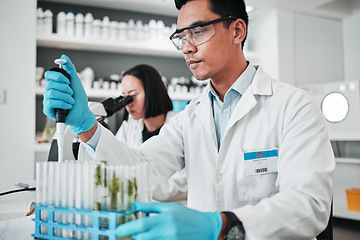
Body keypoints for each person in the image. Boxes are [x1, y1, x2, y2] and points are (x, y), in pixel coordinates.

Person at [42, 0, 335, 239]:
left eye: (197, 31)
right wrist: (87, 127)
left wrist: (220, 226)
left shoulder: (294, 106)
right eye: (181, 36)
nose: (186, 47)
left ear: (237, 31)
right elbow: (140, 168)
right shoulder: (189, 118)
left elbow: (309, 205)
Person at [116, 64, 188, 204]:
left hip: (172, 211)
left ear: (152, 92)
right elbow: (115, 162)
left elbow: (182, 184)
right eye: (124, 97)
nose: (128, 104)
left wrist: (134, 184)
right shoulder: (128, 128)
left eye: (132, 95)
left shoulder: (181, 128)